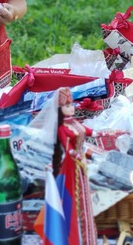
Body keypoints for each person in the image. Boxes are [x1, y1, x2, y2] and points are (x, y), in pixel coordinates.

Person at [53, 87, 97, 245]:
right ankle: (76, 236)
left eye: (71, 105)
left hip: (81, 163)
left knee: (84, 195)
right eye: (67, 106)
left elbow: (91, 132)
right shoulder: (62, 128)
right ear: (60, 109)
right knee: (75, 198)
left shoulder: (75, 123)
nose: (71, 108)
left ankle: (88, 237)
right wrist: (79, 157)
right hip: (73, 164)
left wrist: (111, 132)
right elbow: (68, 149)